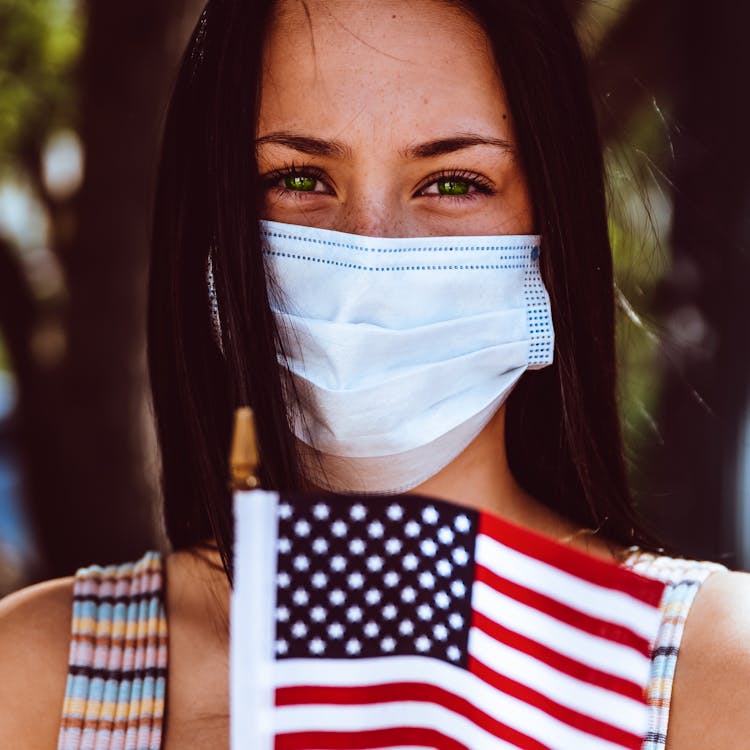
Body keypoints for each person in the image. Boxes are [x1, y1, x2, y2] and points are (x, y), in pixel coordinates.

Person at [1, 1, 749, 748]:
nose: (370, 256)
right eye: (298, 177)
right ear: (213, 223)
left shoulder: (718, 678)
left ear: (553, 224)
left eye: (454, 183)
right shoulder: (37, 681)